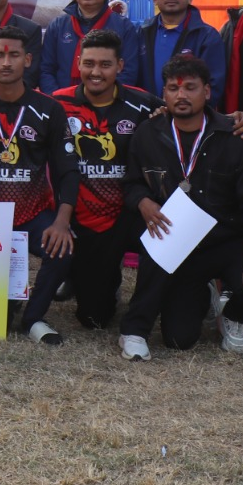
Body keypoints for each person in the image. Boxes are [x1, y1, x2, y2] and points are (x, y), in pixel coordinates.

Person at [118, 55, 243, 361]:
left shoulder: (236, 134)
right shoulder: (148, 133)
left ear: (206, 91)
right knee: (179, 339)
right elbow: (132, 182)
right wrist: (143, 201)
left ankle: (233, 314)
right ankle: (136, 329)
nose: (181, 95)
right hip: (178, 241)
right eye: (173, 88)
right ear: (164, 93)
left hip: (227, 238)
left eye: (190, 87)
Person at [0, 25, 78, 345]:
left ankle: (34, 317)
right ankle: (4, 300)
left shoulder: (48, 108)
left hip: (32, 213)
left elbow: (68, 170)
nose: (6, 62)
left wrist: (62, 221)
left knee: (63, 248)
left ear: (27, 60)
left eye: (14, 55)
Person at [51, 29, 162, 331]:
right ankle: (94, 279)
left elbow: (189, 115)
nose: (96, 72)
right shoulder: (57, 104)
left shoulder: (145, 104)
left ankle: (181, 287)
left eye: (105, 64)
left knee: (167, 239)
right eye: (89, 63)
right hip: (83, 217)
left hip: (130, 211)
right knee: (93, 318)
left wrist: (239, 119)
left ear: (120, 66)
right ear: (78, 63)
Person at [38, 0, 141, 94]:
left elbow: (128, 72)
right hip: (61, 102)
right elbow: (45, 70)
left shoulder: (124, 27)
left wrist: (104, 100)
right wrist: (58, 99)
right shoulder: (58, 26)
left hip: (107, 103)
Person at [135, 0, 224, 108]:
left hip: (188, 116)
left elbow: (214, 85)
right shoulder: (141, 32)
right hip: (146, 115)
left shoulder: (206, 36)